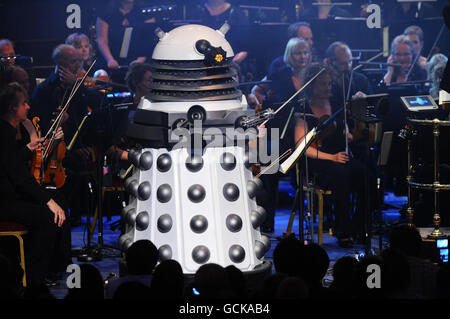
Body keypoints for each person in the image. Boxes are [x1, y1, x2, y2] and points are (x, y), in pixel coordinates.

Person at [294, 63, 370, 247]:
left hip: (338, 156)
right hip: (317, 160)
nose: (327, 87)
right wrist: (332, 157)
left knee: (365, 174)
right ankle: (342, 230)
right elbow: (302, 147)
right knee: (341, 175)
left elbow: (345, 132)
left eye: (329, 83)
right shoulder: (304, 109)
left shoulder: (336, 104)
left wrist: (351, 129)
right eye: (322, 84)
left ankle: (361, 226)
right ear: (311, 85)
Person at [0, 82, 66, 286]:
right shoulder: (4, 132)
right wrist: (47, 201)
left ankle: (56, 267)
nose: (28, 107)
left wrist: (29, 148)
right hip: (5, 202)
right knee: (48, 216)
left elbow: (10, 163)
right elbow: (19, 176)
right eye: (24, 103)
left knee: (58, 200)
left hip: (9, 195)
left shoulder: (6, 130)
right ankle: (33, 279)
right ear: (13, 108)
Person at [251, 37, 312, 232]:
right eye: (297, 53)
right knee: (268, 165)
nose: (302, 57)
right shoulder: (279, 75)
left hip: (308, 136)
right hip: (283, 135)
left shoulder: (314, 75)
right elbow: (257, 90)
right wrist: (258, 105)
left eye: (305, 52)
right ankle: (268, 219)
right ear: (289, 55)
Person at [96, 0, 156, 73]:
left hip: (137, 60)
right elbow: (102, 41)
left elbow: (148, 41)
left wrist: (139, 60)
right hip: (112, 59)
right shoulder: (106, 14)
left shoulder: (146, 13)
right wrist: (110, 60)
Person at [323, 41, 373, 110]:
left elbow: (373, 106)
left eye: (350, 62)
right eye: (342, 64)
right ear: (329, 62)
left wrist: (365, 100)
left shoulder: (361, 80)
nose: (348, 67)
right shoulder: (323, 84)